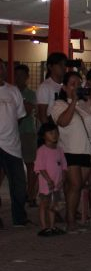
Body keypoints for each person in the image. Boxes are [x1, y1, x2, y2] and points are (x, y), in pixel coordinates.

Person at [49, 69, 91, 229]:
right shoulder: (59, 104)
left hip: (86, 151)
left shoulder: (86, 105)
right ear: (64, 87)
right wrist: (73, 102)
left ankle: (68, 215)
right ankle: (70, 220)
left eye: (79, 84)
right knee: (76, 185)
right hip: (68, 150)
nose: (76, 87)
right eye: (72, 84)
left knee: (76, 186)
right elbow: (63, 122)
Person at [0, 59, 30, 227]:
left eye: (2, 68)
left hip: (12, 145)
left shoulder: (13, 91)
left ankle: (19, 217)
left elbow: (19, 116)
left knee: (18, 184)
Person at [35, 122, 66, 236]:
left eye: (56, 132)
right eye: (51, 133)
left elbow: (63, 166)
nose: (54, 135)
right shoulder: (42, 150)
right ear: (44, 136)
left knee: (53, 206)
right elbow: (40, 168)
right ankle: (44, 227)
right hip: (46, 184)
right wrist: (48, 180)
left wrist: (62, 179)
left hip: (56, 184)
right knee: (44, 204)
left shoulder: (59, 150)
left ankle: (52, 227)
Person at [14, 64, 39, 208]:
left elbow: (27, 111)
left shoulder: (31, 94)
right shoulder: (10, 92)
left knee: (31, 166)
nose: (19, 78)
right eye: (17, 75)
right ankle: (19, 194)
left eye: (22, 75)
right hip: (12, 133)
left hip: (28, 132)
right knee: (10, 167)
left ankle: (31, 195)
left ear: (27, 77)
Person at [36, 52, 67, 125]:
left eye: (64, 65)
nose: (64, 68)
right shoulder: (45, 87)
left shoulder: (65, 85)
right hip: (52, 129)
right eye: (60, 65)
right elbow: (42, 115)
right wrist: (50, 132)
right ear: (50, 67)